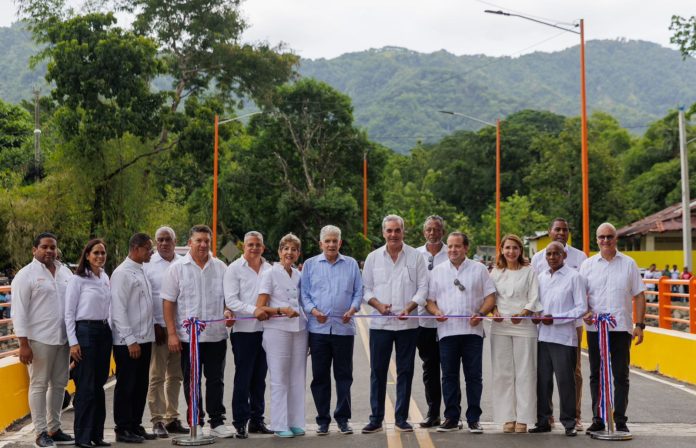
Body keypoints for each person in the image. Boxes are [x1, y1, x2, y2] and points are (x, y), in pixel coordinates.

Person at [161, 225, 235, 438]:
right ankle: (196, 421)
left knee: (216, 380)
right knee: (192, 381)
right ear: (190, 242)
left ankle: (217, 422)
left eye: (206, 241)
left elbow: (227, 299)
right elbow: (168, 302)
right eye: (199, 240)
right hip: (188, 339)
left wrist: (228, 311)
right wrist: (172, 334)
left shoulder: (220, 267)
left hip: (216, 335)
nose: (203, 245)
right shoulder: (177, 268)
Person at [361, 215, 428, 434]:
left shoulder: (416, 257)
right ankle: (376, 419)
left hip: (408, 326)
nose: (393, 234)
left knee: (405, 372)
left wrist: (410, 306)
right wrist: (378, 305)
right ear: (383, 233)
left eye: (397, 230)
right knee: (378, 372)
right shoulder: (373, 258)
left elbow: (423, 288)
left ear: (403, 231)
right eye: (389, 231)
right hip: (380, 325)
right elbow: (365, 289)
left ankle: (401, 418)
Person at [425, 232, 496, 433]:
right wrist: (435, 312)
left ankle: (474, 419)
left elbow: (490, 297)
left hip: (473, 332)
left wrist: (481, 314)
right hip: (447, 332)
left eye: (457, 246)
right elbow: (429, 301)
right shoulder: (437, 271)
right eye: (450, 246)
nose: (453, 250)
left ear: (466, 248)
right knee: (449, 376)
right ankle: (451, 418)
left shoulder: (479, 269)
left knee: (473, 377)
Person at [581, 223, 646, 434]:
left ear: (615, 238)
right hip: (595, 329)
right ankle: (598, 418)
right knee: (596, 375)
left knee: (621, 375)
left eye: (609, 236)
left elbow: (639, 295)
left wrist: (640, 325)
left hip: (621, 328)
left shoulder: (629, 264)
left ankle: (620, 419)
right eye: (602, 237)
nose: (606, 240)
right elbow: (580, 296)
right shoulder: (587, 265)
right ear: (596, 239)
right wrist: (585, 312)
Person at [11, 232, 75, 448]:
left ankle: (54, 429)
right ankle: (40, 433)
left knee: (59, 384)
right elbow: (18, 312)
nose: (49, 251)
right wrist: (23, 344)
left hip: (63, 339)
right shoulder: (25, 275)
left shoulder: (65, 272)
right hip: (38, 340)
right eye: (44, 247)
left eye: (53, 247)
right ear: (34, 250)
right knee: (38, 385)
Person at [301, 225, 362, 436]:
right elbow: (304, 295)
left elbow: (358, 292)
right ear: (321, 244)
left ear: (340, 243)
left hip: (344, 330)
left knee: (344, 376)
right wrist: (313, 310)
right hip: (318, 330)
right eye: (327, 241)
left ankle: (343, 419)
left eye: (335, 241)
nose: (331, 244)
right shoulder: (310, 265)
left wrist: (352, 309)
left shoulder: (351, 264)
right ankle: (323, 420)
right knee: (320, 377)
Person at [531, 218, 587, 430]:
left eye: (556, 254)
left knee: (566, 381)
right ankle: (544, 420)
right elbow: (536, 302)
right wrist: (536, 314)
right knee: (543, 381)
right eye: (549, 254)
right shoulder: (541, 277)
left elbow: (581, 308)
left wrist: (556, 318)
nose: (552, 257)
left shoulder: (574, 277)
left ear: (564, 256)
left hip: (564, 337)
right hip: (543, 336)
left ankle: (569, 422)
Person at [254, 233, 307, 438]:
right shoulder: (270, 273)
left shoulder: (298, 275)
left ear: (298, 253)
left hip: (300, 330)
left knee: (297, 377)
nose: (289, 253)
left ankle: (295, 421)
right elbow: (260, 307)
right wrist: (281, 310)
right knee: (279, 378)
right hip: (278, 330)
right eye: (286, 249)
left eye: (294, 249)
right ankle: (279, 424)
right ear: (279, 251)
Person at [490, 234, 542, 434]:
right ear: (502, 250)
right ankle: (507, 417)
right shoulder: (495, 272)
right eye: (507, 248)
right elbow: (491, 298)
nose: (511, 251)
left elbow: (534, 297)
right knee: (503, 373)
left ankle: (524, 418)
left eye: (515, 248)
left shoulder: (529, 271)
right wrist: (494, 311)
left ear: (521, 250)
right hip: (501, 326)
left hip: (525, 326)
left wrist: (525, 313)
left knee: (525, 373)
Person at [223, 231, 273, 438]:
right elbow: (231, 300)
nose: (254, 248)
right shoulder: (234, 269)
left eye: (258, 245)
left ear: (263, 247)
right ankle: (240, 422)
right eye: (250, 244)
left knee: (260, 379)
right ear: (243, 246)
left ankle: (257, 420)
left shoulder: (270, 269)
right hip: (244, 332)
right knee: (243, 378)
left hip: (267, 331)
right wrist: (255, 311)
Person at [64, 239, 112, 448]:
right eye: (96, 253)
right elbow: (68, 313)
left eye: (103, 253)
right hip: (85, 332)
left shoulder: (105, 277)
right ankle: (82, 437)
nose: (100, 256)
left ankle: (97, 435)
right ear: (87, 255)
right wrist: (73, 342)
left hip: (104, 332)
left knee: (99, 385)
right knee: (86, 387)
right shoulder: (78, 280)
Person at [111, 233, 157, 443]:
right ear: (136, 248)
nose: (151, 252)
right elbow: (118, 309)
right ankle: (123, 428)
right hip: (128, 341)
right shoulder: (122, 273)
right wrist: (130, 339)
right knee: (126, 385)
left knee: (140, 385)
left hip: (145, 338)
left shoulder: (141, 270)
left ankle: (135, 424)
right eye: (148, 248)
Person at [143, 227, 187, 438]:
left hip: (180, 330)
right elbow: (145, 298)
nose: (164, 243)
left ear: (174, 241)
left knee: (176, 376)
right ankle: (157, 419)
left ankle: (172, 417)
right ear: (155, 242)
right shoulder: (148, 265)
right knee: (157, 376)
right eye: (160, 240)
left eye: (168, 239)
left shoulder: (184, 263)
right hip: (159, 329)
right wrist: (153, 323)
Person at [415, 215, 448, 428]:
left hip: (449, 321)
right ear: (424, 232)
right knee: (430, 368)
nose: (432, 233)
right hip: (424, 321)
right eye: (429, 229)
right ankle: (433, 412)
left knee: (450, 370)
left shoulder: (451, 251)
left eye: (436, 229)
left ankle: (453, 414)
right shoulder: (416, 254)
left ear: (442, 232)